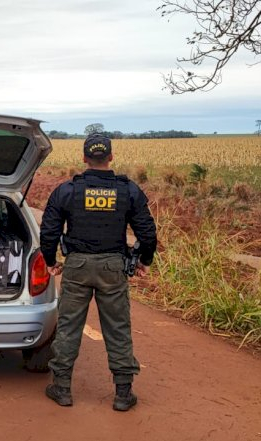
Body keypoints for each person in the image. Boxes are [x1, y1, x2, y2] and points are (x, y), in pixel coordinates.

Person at [39, 133, 157, 411]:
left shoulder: (67, 190)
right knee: (117, 329)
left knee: (68, 327)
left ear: (83, 158)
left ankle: (62, 388)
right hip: (113, 267)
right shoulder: (128, 190)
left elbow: (49, 230)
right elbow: (148, 233)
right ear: (111, 157)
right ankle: (123, 393)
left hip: (77, 266)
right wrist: (145, 261)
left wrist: (50, 260)